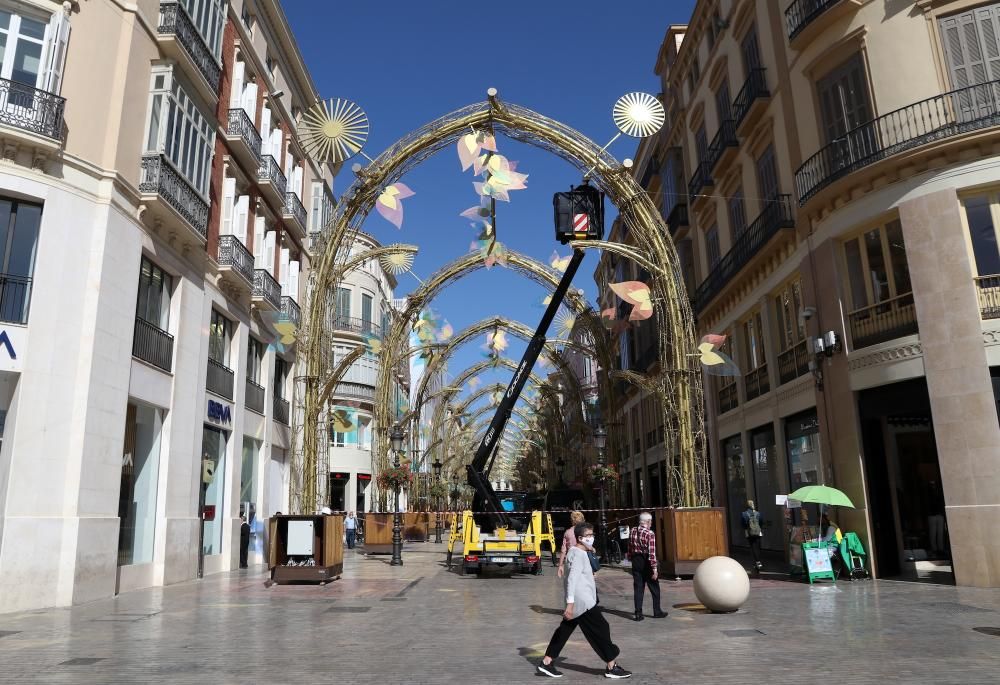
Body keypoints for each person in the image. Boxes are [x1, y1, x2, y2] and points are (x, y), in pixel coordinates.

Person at [536, 523, 632, 680]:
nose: (591, 538)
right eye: (588, 535)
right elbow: (572, 579)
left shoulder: (575, 551)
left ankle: (546, 662)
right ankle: (611, 666)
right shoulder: (579, 555)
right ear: (580, 538)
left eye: (592, 534)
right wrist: (570, 603)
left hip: (580, 600)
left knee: (564, 630)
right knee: (600, 628)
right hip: (583, 602)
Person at [628, 512, 666, 621]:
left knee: (638, 588)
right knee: (654, 587)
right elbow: (651, 553)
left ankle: (638, 613)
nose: (651, 523)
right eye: (651, 521)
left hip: (636, 561)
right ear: (648, 521)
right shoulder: (650, 534)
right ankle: (657, 611)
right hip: (646, 562)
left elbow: (629, 546)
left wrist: (631, 558)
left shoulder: (633, 530)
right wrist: (654, 569)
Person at [557, 511, 585, 578]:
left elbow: (563, 550)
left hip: (571, 561)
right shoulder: (585, 532)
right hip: (584, 560)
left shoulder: (568, 532)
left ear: (572, 520)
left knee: (571, 582)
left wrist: (560, 565)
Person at [741, 500, 764, 572]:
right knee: (757, 547)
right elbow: (761, 522)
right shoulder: (758, 513)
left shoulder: (744, 514)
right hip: (758, 532)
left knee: (753, 547)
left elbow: (743, 524)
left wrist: (747, 528)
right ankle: (759, 562)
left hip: (749, 532)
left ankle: (757, 562)